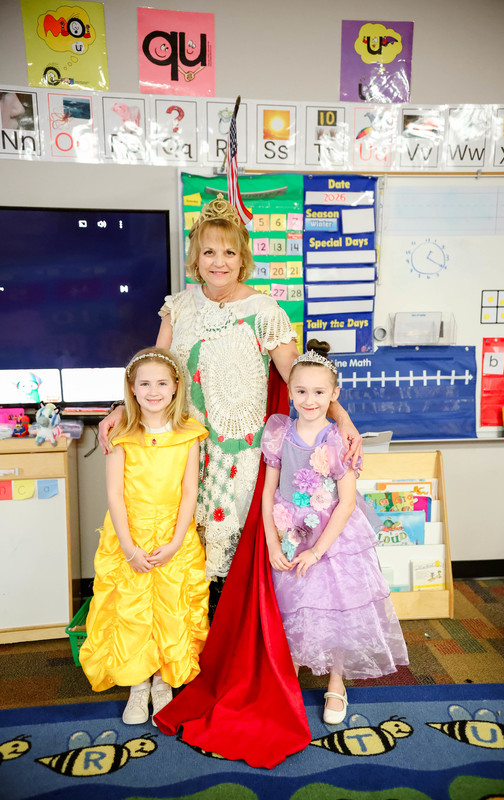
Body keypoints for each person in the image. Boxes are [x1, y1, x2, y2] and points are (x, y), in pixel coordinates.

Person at [99, 193, 362, 617]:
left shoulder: (264, 311)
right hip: (181, 450)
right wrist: (119, 408)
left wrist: (343, 418)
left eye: (228, 252)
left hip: (240, 457)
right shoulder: (178, 308)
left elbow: (302, 380)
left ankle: (228, 645)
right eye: (208, 252)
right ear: (195, 257)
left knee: (232, 563)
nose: (218, 262)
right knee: (183, 549)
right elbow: (153, 371)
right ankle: (184, 644)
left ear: (243, 259)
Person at [261, 340, 409, 724]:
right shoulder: (279, 432)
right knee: (294, 604)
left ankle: (336, 682)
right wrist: (272, 541)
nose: (309, 400)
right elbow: (268, 491)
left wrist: (318, 551)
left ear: (334, 394)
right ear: (289, 391)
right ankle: (288, 681)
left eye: (319, 392)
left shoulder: (337, 439)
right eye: (301, 391)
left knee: (337, 606)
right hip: (290, 530)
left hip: (333, 536)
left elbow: (345, 503)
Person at [80, 347, 210, 725]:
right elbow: (114, 495)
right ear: (132, 389)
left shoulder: (189, 434)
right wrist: (128, 548)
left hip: (174, 535)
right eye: (145, 384)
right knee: (133, 610)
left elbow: (190, 491)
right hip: (130, 533)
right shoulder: (122, 434)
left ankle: (162, 684)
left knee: (171, 608)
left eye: (162, 383)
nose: (154, 391)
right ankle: (138, 685)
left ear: (176, 387)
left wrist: (175, 542)